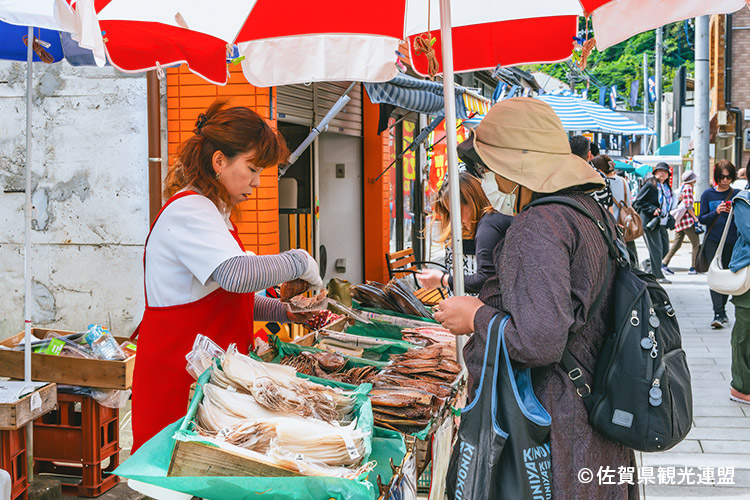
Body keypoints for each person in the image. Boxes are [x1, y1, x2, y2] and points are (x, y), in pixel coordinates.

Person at [434, 98, 637, 500]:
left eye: (488, 168)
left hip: (554, 431)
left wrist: (475, 315)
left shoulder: (539, 225)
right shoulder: (587, 211)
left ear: (515, 167)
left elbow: (540, 340)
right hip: (595, 420)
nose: (487, 178)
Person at [131, 100, 323, 451]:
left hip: (210, 380)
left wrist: (283, 311)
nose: (257, 181)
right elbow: (235, 275)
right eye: (251, 168)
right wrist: (299, 261)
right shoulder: (190, 210)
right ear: (219, 161)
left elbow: (224, 300)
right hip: (179, 379)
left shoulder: (215, 213)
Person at [417, 172, 512, 294]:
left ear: (470, 201)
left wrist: (443, 279)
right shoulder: (496, 216)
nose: (458, 220)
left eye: (456, 212)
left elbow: (486, 280)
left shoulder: (487, 226)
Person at [699, 160, 742, 328]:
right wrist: (715, 212)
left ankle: (722, 310)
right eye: (722, 177)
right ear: (717, 177)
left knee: (727, 275)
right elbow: (701, 218)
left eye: (729, 177)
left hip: (732, 241)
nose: (725, 180)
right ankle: (718, 312)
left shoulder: (737, 194)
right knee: (715, 276)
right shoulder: (707, 195)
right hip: (713, 240)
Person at [633, 163, 672, 283]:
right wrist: (652, 209)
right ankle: (657, 276)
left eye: (664, 171)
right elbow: (637, 202)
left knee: (665, 249)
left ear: (668, 174)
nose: (662, 173)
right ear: (655, 173)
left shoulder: (666, 187)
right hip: (650, 222)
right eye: (659, 171)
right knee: (657, 249)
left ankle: (648, 264)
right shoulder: (651, 184)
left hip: (662, 221)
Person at [728, 190, 750, 403]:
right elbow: (748, 232)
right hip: (748, 275)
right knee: (744, 333)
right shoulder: (744, 199)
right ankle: (741, 386)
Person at [662, 170, 700, 274]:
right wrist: (695, 218)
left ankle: (664, 264)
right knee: (696, 243)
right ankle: (693, 267)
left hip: (679, 220)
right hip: (687, 220)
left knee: (677, 244)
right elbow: (688, 206)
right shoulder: (688, 188)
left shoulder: (682, 186)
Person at [571, 135, 613, 212]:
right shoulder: (601, 177)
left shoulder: (564, 177)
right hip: (600, 222)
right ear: (589, 154)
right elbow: (610, 210)